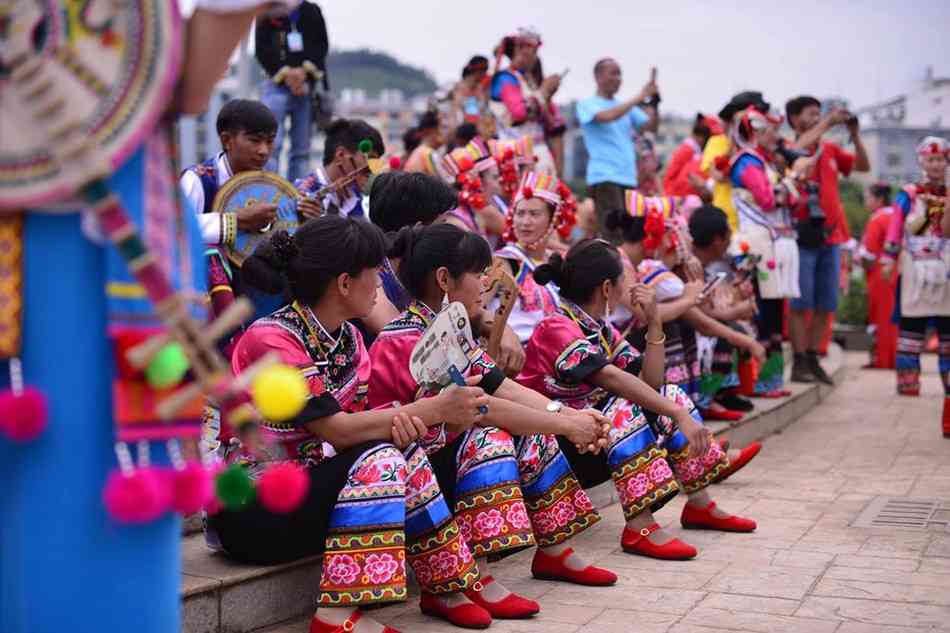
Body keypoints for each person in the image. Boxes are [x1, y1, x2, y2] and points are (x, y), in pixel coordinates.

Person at [216, 216, 493, 633]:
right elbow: (339, 430)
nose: (382, 284)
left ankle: (445, 584)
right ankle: (335, 613)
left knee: (401, 449)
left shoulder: (348, 339)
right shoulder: (271, 338)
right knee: (380, 456)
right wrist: (433, 410)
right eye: (375, 273)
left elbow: (360, 425)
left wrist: (414, 415)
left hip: (308, 495)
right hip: (252, 510)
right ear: (344, 283)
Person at [369, 223, 617, 625]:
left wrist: (568, 415)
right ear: (444, 279)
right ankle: (467, 579)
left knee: (533, 425)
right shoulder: (404, 339)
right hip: (410, 476)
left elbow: (505, 389)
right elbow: (484, 409)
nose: (486, 281)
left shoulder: (455, 335)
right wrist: (566, 425)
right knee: (490, 438)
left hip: (446, 457)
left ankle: (554, 551)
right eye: (478, 272)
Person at [519, 239, 759, 561]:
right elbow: (613, 379)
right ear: (607, 288)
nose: (631, 287)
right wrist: (678, 414)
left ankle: (700, 504)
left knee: (666, 392)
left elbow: (651, 382)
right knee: (625, 406)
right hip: (553, 446)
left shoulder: (598, 328)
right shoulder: (556, 327)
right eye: (626, 280)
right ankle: (640, 525)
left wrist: (655, 322)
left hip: (587, 439)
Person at [179, 99, 281, 349]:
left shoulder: (269, 184)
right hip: (201, 294)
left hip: (250, 286)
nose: (264, 151)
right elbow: (177, 231)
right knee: (211, 254)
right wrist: (233, 223)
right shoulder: (197, 180)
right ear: (227, 140)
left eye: (269, 141)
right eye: (255, 140)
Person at [784, 95, 870, 384]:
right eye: (811, 114)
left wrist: (855, 135)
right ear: (795, 119)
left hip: (831, 236)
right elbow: (797, 148)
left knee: (825, 303)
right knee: (800, 303)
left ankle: (812, 357)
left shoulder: (831, 149)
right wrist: (827, 122)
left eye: (819, 114)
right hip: (801, 234)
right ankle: (798, 361)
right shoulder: (788, 148)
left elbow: (863, 166)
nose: (818, 118)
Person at [728, 107, 802, 397]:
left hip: (768, 242)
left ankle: (769, 380)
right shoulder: (747, 162)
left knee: (771, 312)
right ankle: (755, 380)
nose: (777, 136)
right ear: (757, 132)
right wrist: (791, 186)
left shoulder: (762, 162)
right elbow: (768, 199)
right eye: (772, 130)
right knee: (760, 311)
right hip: (757, 243)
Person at [881, 137, 949, 435]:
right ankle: (908, 380)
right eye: (930, 160)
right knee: (911, 325)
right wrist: (888, 256)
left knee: (948, 326)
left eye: (940, 160)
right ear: (921, 161)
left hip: (944, 262)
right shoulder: (908, 194)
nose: (935, 165)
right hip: (914, 262)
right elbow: (896, 226)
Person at [576, 58, 659, 242]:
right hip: (605, 177)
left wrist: (654, 101)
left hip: (628, 178)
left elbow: (650, 127)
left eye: (620, 73)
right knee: (613, 236)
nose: (618, 78)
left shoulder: (625, 107)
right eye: (613, 73)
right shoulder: (588, 104)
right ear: (598, 77)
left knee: (630, 235)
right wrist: (640, 96)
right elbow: (607, 116)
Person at [492, 171, 578, 343]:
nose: (525, 222)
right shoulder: (504, 261)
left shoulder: (558, 261)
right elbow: (476, 309)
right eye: (520, 213)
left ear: (553, 219)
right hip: (519, 356)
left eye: (534, 214)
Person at [255, 1, 329, 182]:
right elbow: (261, 49)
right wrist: (286, 73)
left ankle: (297, 196)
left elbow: (321, 46)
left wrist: (304, 72)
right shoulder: (267, 10)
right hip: (275, 86)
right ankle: (268, 190)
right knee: (271, 144)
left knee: (302, 149)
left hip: (305, 87)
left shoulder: (311, 11)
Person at [490, 28, 565, 175]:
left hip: (536, 154)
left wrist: (547, 96)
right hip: (513, 154)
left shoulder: (527, 80)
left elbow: (552, 123)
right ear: (518, 49)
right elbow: (519, 113)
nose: (535, 57)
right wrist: (543, 92)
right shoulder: (506, 78)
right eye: (532, 51)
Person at [700, 92, 772, 231]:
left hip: (760, 221)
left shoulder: (763, 146)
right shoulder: (717, 142)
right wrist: (735, 136)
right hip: (728, 222)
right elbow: (719, 176)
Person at [295, 118, 385, 219]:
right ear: (340, 155)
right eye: (370, 160)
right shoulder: (301, 196)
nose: (373, 170)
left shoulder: (356, 199)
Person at [858, 182, 899, 369]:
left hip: (880, 274)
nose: (866, 202)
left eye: (868, 198)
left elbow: (869, 252)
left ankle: (884, 359)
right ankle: (892, 357)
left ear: (879, 199)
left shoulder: (878, 219)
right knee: (893, 316)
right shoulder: (897, 216)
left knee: (882, 316)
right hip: (896, 270)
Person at [441, 138, 508, 243]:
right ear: (479, 180)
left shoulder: (484, 202)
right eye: (495, 177)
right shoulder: (483, 208)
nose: (501, 179)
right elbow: (515, 235)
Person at [664, 114, 721, 197]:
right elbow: (671, 176)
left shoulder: (696, 150)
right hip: (677, 197)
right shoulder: (688, 149)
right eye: (711, 137)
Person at [404, 110, 448, 178]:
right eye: (443, 127)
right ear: (430, 130)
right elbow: (446, 182)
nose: (445, 132)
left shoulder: (419, 151)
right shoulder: (429, 154)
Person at [451, 55, 491, 126]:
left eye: (486, 69)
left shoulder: (482, 89)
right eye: (483, 69)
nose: (485, 73)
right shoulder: (458, 89)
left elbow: (484, 111)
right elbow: (456, 114)